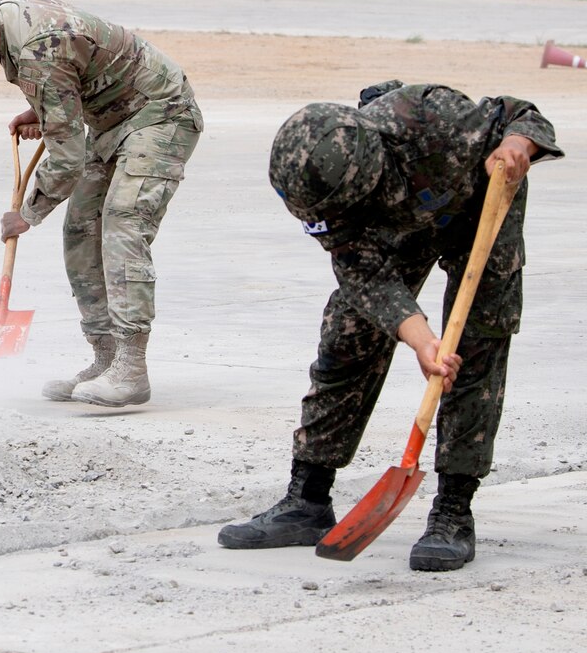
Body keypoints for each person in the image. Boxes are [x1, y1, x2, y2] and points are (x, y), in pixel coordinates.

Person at [217, 80, 560, 571]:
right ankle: (307, 500)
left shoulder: (434, 118)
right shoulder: (323, 192)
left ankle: (452, 513)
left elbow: (523, 114)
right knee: (348, 335)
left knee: (476, 351)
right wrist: (421, 340)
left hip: (481, 207)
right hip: (398, 223)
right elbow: (364, 275)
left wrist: (517, 145)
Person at [0, 0, 201, 407]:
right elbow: (69, 76)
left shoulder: (38, 49)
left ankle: (130, 369)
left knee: (123, 223)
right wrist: (45, 111)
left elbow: (68, 159)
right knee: (80, 230)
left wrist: (27, 213)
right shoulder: (7, 27)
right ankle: (104, 357)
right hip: (111, 120)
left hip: (159, 113)